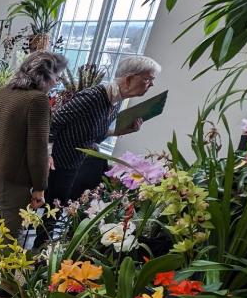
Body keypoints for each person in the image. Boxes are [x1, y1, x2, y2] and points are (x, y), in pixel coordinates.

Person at [0, 51, 68, 279]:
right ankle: (7, 283)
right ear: (45, 75)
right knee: (10, 235)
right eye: (57, 76)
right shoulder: (37, 100)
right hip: (12, 179)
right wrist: (40, 187)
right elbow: (38, 148)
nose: (57, 82)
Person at [47, 55, 161, 210]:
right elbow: (52, 123)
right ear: (128, 79)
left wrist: (118, 132)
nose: (151, 84)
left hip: (75, 162)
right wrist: (47, 154)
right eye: (148, 79)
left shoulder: (116, 100)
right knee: (52, 209)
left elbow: (93, 134)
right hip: (58, 163)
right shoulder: (92, 96)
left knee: (60, 207)